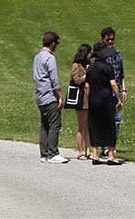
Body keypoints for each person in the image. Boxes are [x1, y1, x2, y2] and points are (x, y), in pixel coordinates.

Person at [32, 31, 68, 164]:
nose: (56, 45)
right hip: (50, 95)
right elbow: (54, 78)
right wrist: (60, 96)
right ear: (52, 43)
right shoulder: (50, 58)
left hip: (40, 96)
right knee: (55, 124)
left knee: (44, 125)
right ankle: (53, 153)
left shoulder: (37, 57)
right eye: (56, 43)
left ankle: (44, 154)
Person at [85, 40, 122, 165]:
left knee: (94, 125)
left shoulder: (90, 67)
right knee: (109, 125)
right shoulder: (107, 67)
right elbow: (113, 84)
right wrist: (119, 99)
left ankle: (95, 154)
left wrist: (87, 98)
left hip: (93, 99)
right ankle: (111, 155)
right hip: (106, 99)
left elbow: (87, 85)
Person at [101, 26, 127, 148]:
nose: (111, 42)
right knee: (106, 120)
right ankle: (105, 147)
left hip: (118, 92)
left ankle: (112, 146)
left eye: (112, 39)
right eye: (108, 40)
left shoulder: (118, 54)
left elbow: (122, 74)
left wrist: (124, 90)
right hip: (105, 91)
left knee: (117, 120)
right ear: (102, 40)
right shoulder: (100, 56)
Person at [69, 43, 92, 160]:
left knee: (88, 126)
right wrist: (85, 76)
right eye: (89, 53)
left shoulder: (88, 65)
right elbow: (76, 80)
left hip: (89, 98)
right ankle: (80, 151)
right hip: (81, 99)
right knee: (81, 125)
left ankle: (88, 149)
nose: (90, 55)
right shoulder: (76, 65)